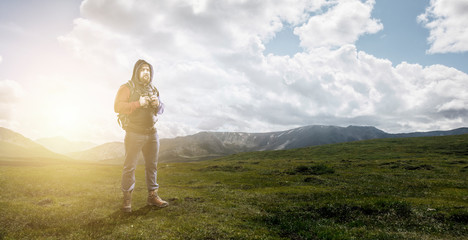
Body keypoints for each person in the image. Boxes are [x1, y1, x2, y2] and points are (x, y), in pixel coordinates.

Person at [114, 59, 168, 212]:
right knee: (129, 167)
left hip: (152, 133)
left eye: (148, 70)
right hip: (133, 133)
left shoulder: (154, 89)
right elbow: (117, 106)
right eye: (143, 70)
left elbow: (162, 110)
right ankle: (127, 200)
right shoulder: (126, 87)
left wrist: (158, 104)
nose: (146, 73)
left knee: (152, 166)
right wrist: (138, 103)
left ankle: (152, 196)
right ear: (136, 71)